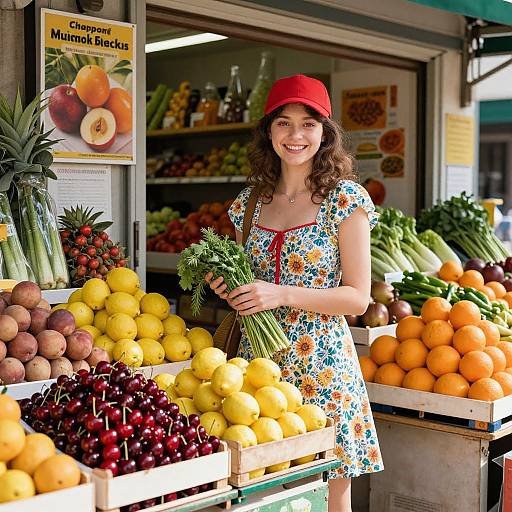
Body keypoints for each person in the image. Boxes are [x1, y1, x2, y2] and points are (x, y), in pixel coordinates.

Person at [206, 74, 383, 511]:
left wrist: (280, 294)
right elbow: (252, 286)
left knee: (327, 493)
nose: (296, 135)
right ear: (269, 131)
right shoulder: (248, 203)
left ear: (325, 132)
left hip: (322, 364)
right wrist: (230, 290)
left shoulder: (345, 199)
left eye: (308, 123)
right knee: (259, 492)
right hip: (256, 364)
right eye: (284, 123)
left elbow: (357, 298)